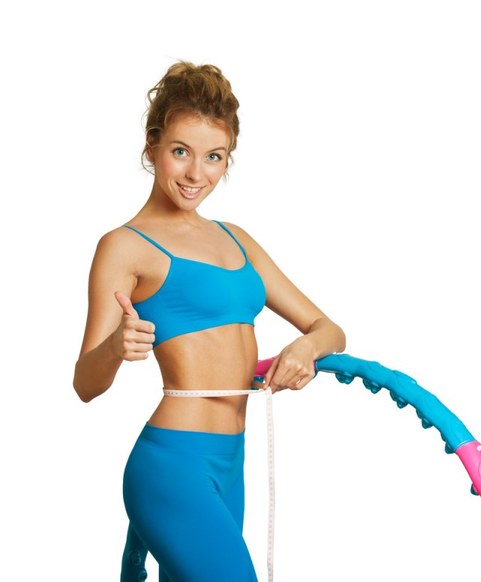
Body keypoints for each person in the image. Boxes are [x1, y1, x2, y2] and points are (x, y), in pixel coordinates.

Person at [73, 61, 346, 582]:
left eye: (214, 157)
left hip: (231, 462)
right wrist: (114, 347)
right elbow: (85, 384)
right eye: (181, 152)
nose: (196, 174)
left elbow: (329, 328)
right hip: (173, 465)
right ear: (152, 145)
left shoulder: (237, 238)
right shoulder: (123, 246)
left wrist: (304, 349)